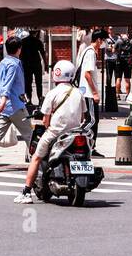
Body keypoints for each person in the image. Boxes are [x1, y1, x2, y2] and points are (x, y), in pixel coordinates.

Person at [14, 60, 87, 203]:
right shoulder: (78, 93)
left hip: (55, 133)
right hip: (76, 133)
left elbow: (45, 120)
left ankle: (26, 191)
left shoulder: (52, 93)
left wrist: (48, 124)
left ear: (56, 73)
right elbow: (83, 116)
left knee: (36, 157)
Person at [0, 36, 34, 170]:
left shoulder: (3, 62)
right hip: (15, 105)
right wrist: (4, 100)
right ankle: (38, 161)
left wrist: (1, 102)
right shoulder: (14, 64)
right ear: (19, 49)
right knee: (29, 135)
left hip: (5, 107)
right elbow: (7, 84)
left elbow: (2, 83)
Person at [78, 28, 105, 154]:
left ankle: (90, 146)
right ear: (99, 40)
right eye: (103, 40)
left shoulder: (89, 51)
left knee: (93, 120)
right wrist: (95, 93)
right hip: (89, 93)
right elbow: (87, 74)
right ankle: (77, 137)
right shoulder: (90, 53)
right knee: (92, 120)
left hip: (86, 92)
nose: (104, 43)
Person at [20, 28, 46, 107]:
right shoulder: (38, 41)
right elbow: (43, 53)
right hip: (36, 64)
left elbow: (20, 54)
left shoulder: (23, 41)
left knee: (28, 83)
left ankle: (29, 100)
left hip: (26, 64)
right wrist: (46, 64)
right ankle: (40, 100)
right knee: (39, 83)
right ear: (36, 33)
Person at [115, 32, 132, 98]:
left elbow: (114, 50)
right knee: (127, 80)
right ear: (127, 35)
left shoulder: (118, 41)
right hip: (128, 62)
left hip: (119, 62)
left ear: (122, 35)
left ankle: (117, 95)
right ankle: (127, 95)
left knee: (118, 79)